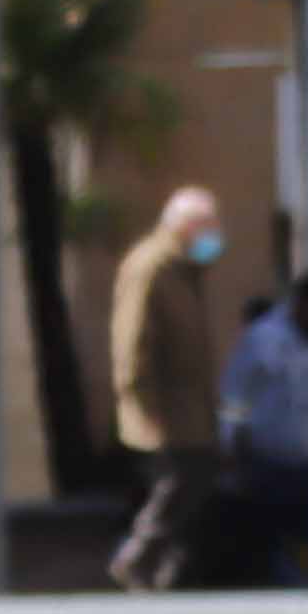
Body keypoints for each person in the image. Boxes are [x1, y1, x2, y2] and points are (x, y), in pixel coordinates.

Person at [108, 187, 226, 592]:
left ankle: (166, 573)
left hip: (191, 410)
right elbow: (132, 341)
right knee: (174, 485)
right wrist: (142, 402)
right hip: (165, 411)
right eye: (209, 226)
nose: (215, 235)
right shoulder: (151, 267)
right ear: (187, 227)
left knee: (194, 485)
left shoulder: (183, 268)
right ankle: (137, 557)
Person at [222, 269, 308, 586]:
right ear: (298, 301)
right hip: (270, 461)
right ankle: (292, 604)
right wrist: (232, 443)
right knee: (270, 547)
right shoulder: (262, 338)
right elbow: (234, 394)